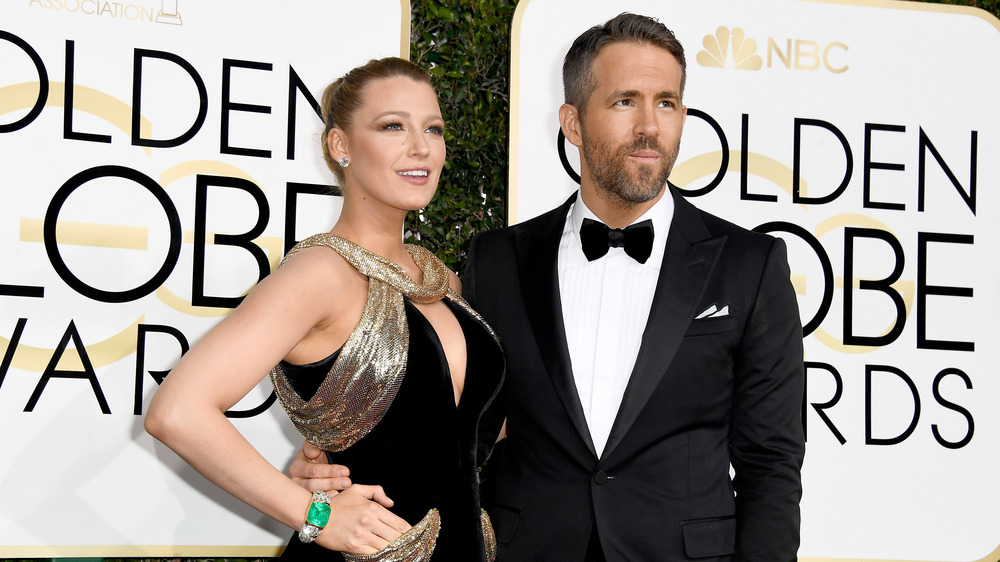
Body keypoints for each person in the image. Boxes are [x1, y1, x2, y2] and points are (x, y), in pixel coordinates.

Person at [293, 13, 804, 561]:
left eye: (668, 102)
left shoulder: (749, 264)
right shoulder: (498, 261)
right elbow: (461, 430)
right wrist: (342, 461)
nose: (651, 126)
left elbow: (771, 463)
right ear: (573, 122)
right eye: (625, 101)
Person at [145, 56, 504, 561]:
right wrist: (316, 515)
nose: (421, 147)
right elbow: (177, 412)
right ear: (341, 146)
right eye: (393, 126)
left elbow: (461, 434)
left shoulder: (440, 279)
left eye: (434, 128)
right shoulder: (320, 273)